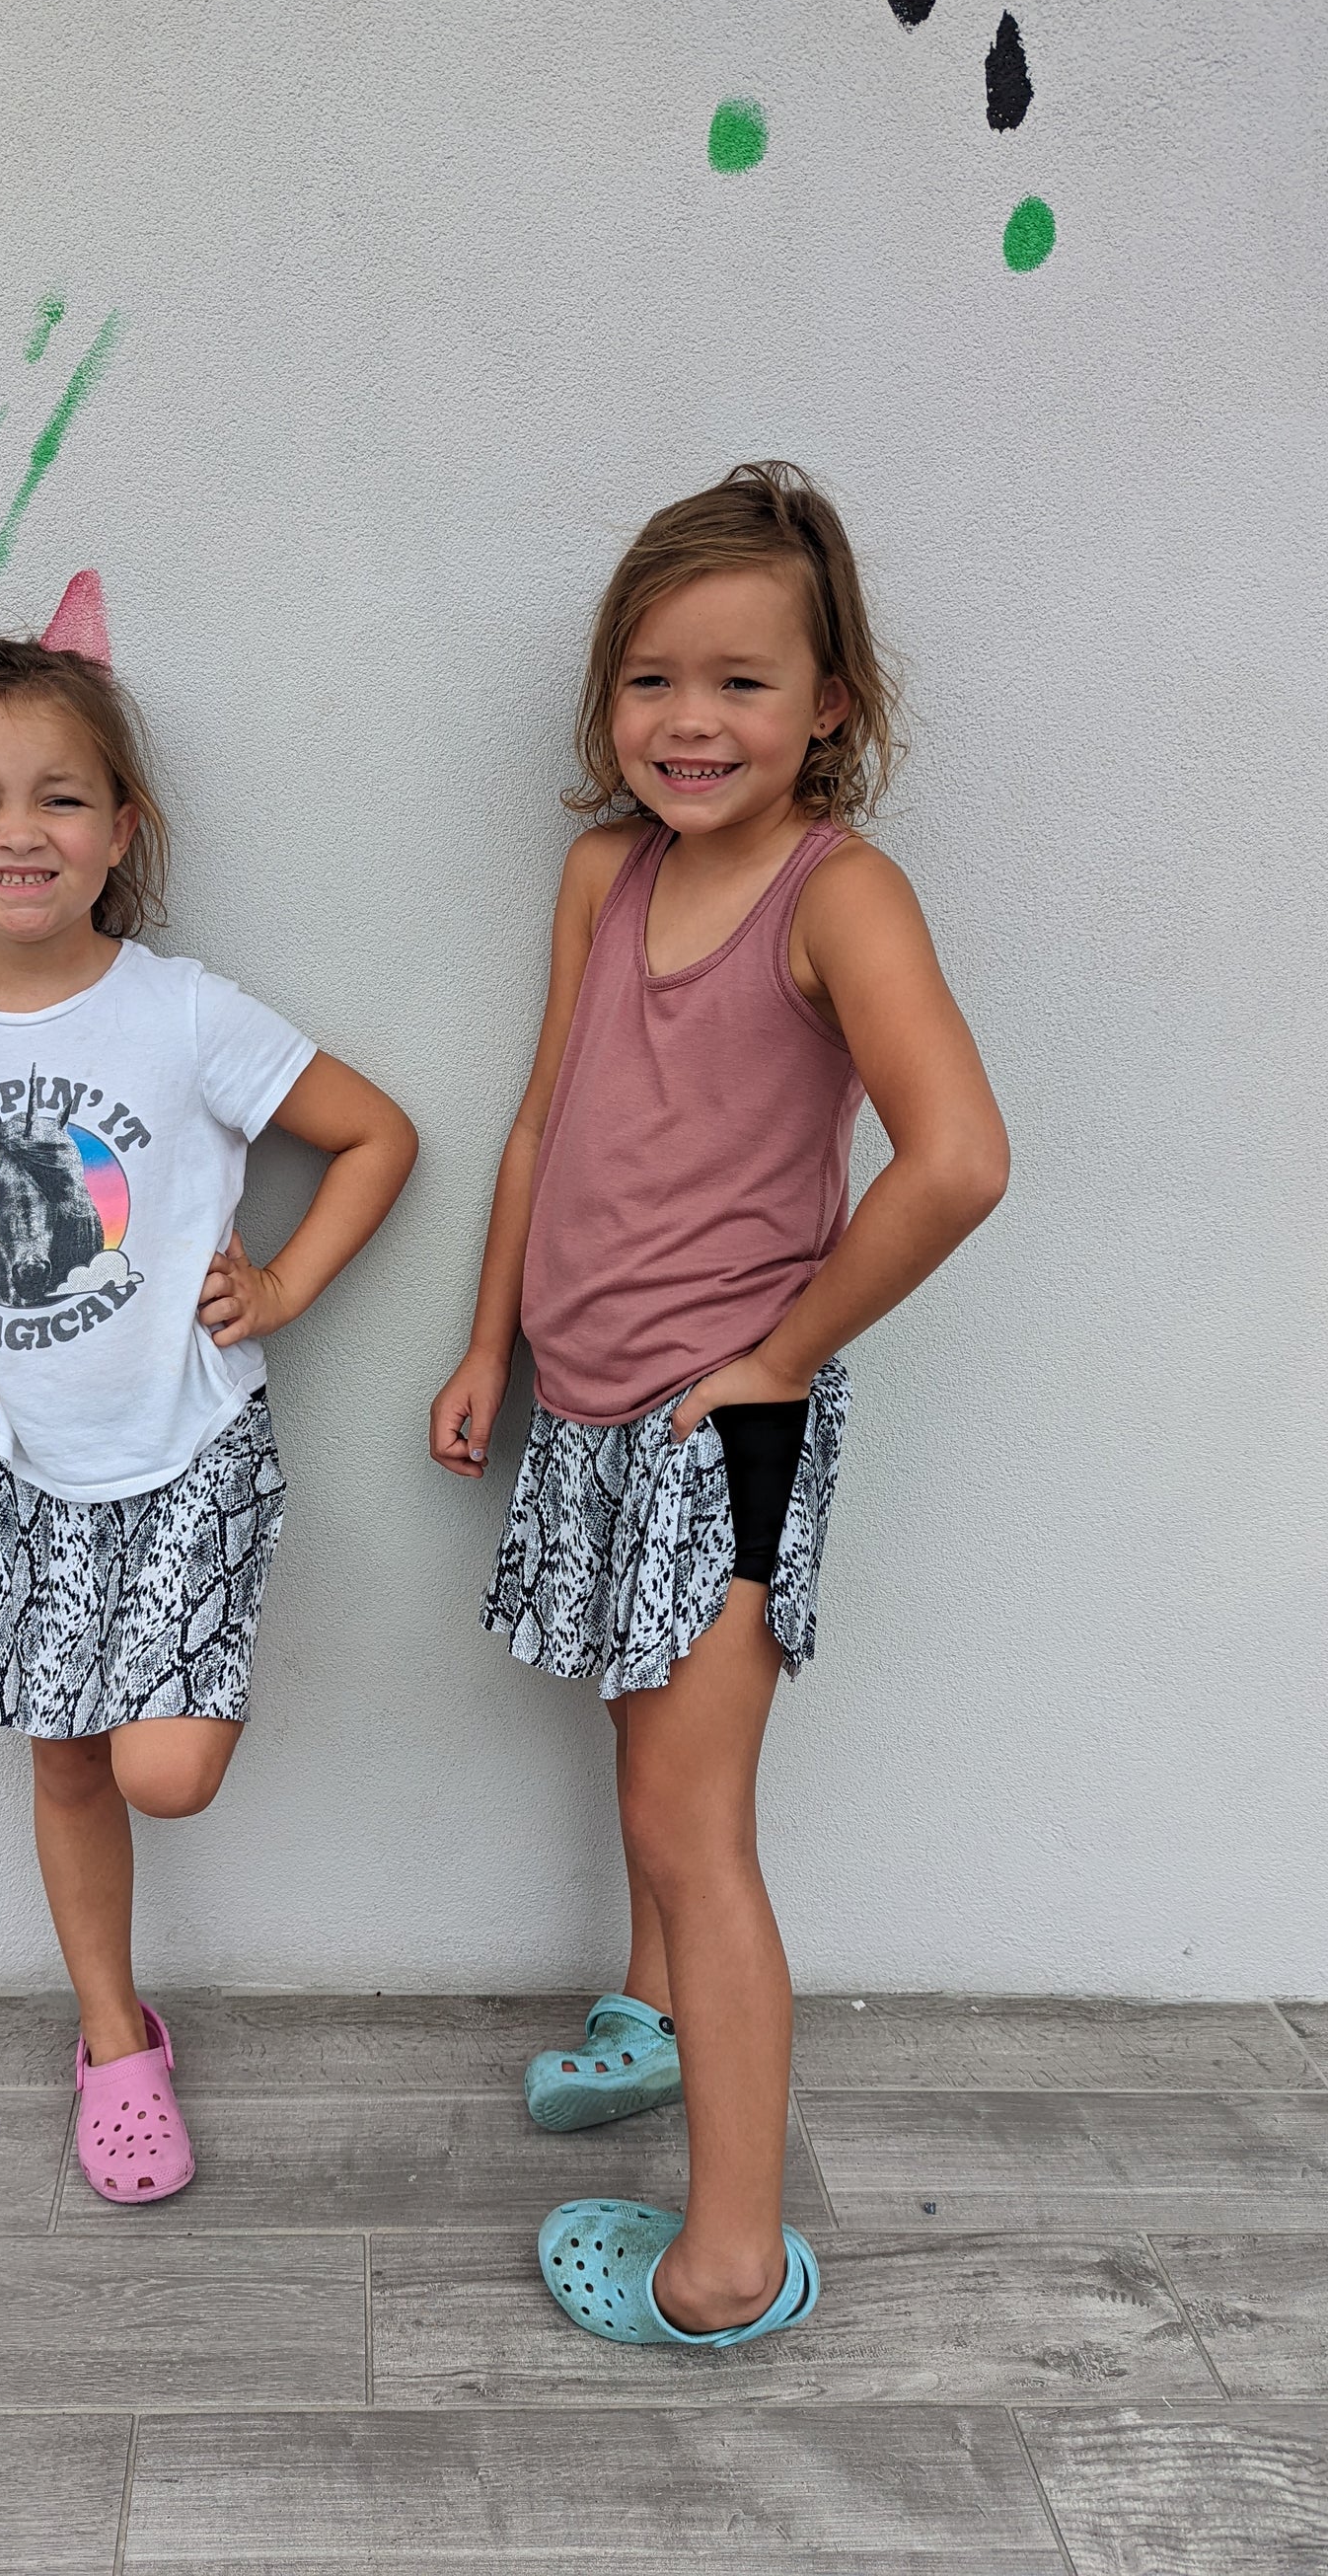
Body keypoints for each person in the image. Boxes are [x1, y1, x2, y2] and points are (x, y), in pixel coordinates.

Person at [430, 463, 1007, 2348]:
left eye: (743, 683)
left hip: (719, 1425)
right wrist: (492, 1346)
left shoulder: (844, 899)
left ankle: (729, 2265)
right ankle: (653, 2011)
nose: (692, 721)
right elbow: (545, 1123)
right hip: (591, 1403)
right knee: (639, 1737)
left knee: (696, 1821)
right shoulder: (607, 875)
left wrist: (778, 1357)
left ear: (829, 705)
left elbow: (957, 1160)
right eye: (653, 679)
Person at [0, 630, 415, 2202]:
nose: (21, 831)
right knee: (65, 1764)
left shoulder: (182, 1014)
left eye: (60, 797)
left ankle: (129, 1991)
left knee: (161, 1771)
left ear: (121, 827)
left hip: (192, 1450)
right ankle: (115, 2043)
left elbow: (375, 1136)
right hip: (24, 1470)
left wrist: (286, 1284)